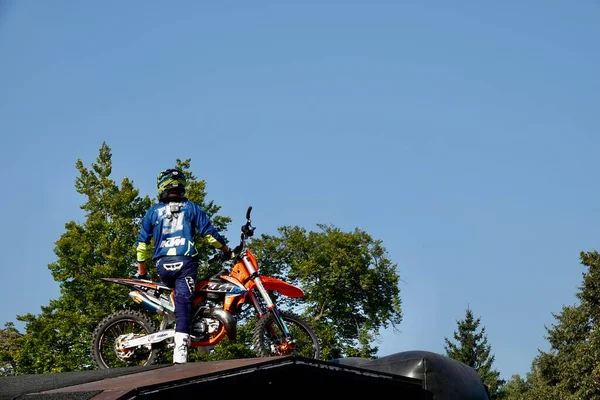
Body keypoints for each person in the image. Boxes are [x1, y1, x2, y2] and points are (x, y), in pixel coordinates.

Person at [135, 168, 232, 364]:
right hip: (185, 263)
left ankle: (195, 335)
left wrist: (142, 271)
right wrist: (226, 250)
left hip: (162, 265)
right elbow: (210, 235)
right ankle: (180, 355)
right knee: (186, 302)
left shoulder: (153, 212)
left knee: (187, 299)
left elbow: (142, 244)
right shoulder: (191, 208)